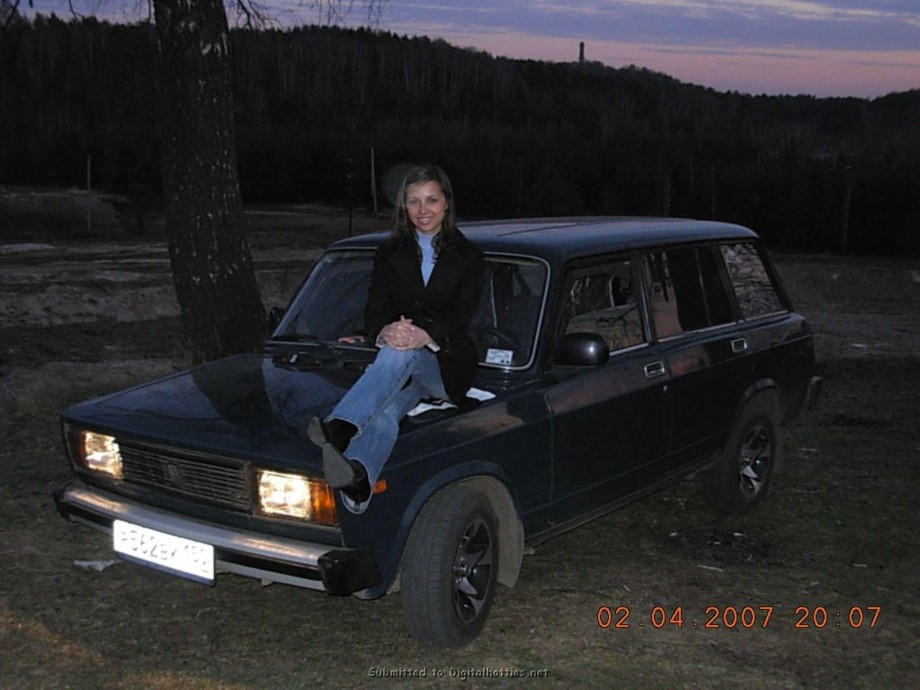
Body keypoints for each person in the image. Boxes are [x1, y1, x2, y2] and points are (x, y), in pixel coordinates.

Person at [308, 165, 485, 512]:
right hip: (401, 375)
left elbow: (463, 315)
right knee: (386, 409)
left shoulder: (469, 256)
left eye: (432, 200)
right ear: (404, 207)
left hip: (446, 365)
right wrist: (384, 330)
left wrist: (425, 335)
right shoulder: (389, 253)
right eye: (414, 201)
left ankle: (341, 425)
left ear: (446, 203)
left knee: (400, 350)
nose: (423, 210)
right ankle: (359, 479)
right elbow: (375, 310)